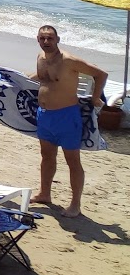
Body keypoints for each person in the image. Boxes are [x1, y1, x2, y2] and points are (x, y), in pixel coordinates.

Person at [32, 25, 107, 218]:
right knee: (46, 156)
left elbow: (101, 74)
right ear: (37, 39)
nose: (46, 41)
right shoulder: (40, 58)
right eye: (42, 38)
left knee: (72, 160)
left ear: (58, 39)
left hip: (67, 117)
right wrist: (10, 77)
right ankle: (45, 193)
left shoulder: (69, 60)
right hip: (45, 116)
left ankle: (75, 204)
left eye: (50, 38)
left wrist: (95, 97)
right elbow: (42, 79)